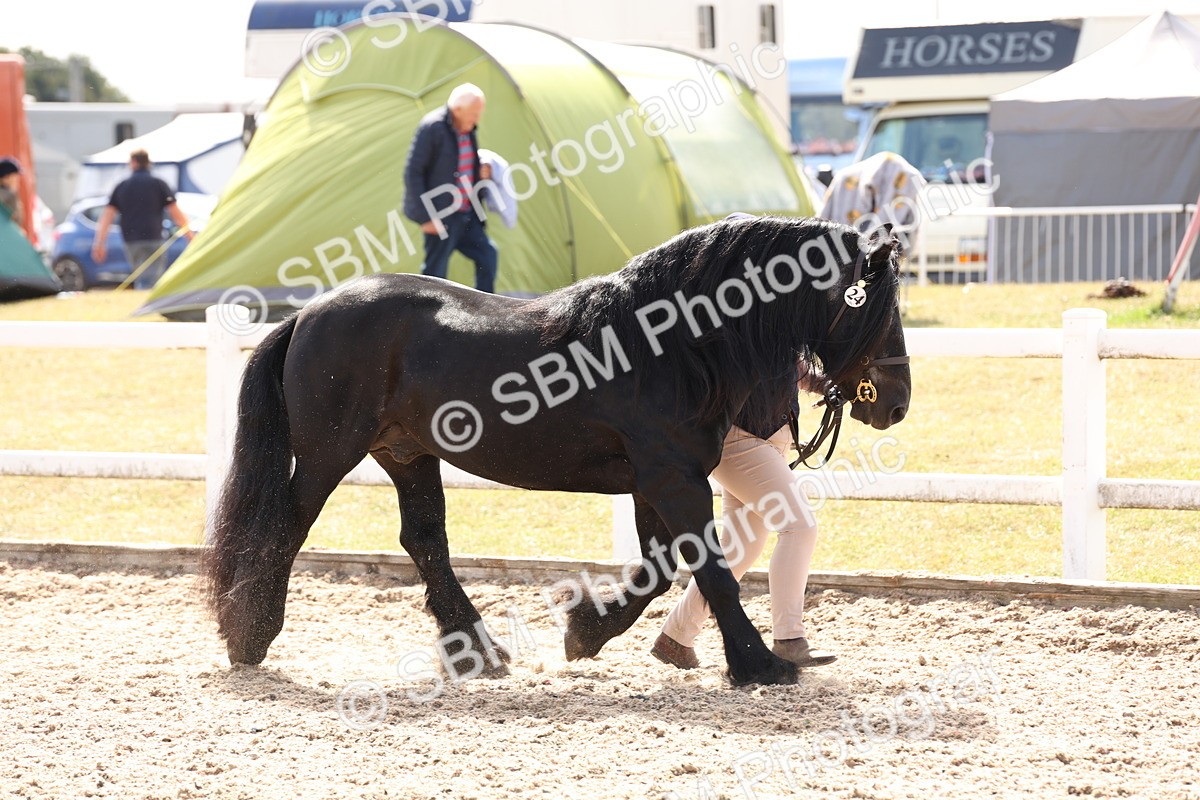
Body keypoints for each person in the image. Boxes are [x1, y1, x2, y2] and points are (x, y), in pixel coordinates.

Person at [651, 359, 837, 671]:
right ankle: (790, 640)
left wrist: (822, 382)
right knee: (799, 526)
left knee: (740, 547)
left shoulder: (778, 312)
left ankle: (676, 637)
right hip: (739, 437)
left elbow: (786, 359)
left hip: (769, 436)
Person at [403, 83, 498, 293]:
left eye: (478, 114)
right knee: (435, 275)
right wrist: (426, 218)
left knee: (488, 255)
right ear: (457, 110)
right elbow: (413, 172)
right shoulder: (433, 128)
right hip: (441, 215)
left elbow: (461, 163)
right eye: (473, 114)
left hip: (466, 214)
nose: (477, 120)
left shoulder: (468, 128)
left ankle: (485, 308)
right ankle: (427, 319)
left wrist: (481, 170)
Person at [92, 149, 193, 290]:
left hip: (131, 240)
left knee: (142, 275)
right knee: (151, 278)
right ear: (148, 163)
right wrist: (189, 235)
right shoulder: (159, 184)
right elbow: (175, 212)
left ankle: (145, 300)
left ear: (133, 162)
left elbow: (107, 216)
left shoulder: (122, 186)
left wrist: (100, 243)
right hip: (154, 237)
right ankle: (147, 305)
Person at [0, 157, 25, 233]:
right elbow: (11, 224)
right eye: (15, 177)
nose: (18, 181)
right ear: (5, 177)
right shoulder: (9, 195)